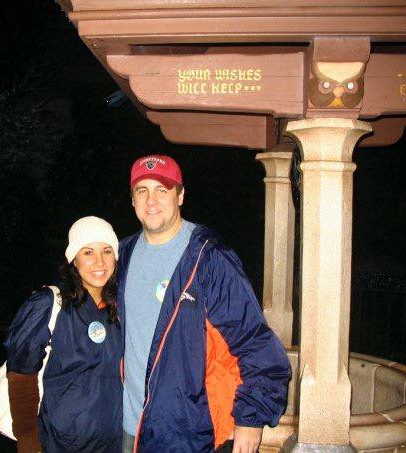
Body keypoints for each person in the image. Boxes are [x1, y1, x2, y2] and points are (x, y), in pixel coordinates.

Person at [118, 155, 291, 453]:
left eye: (162, 189)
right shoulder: (122, 254)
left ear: (181, 196)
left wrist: (250, 418)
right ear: (132, 200)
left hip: (186, 433)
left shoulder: (209, 257)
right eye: (142, 190)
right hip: (129, 428)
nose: (151, 200)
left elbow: (254, 341)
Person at [5, 216, 123, 453]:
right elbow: (21, 375)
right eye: (88, 252)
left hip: (115, 444)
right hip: (60, 445)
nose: (99, 261)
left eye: (107, 251)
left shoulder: (120, 308)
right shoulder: (50, 304)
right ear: (73, 259)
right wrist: (27, 441)